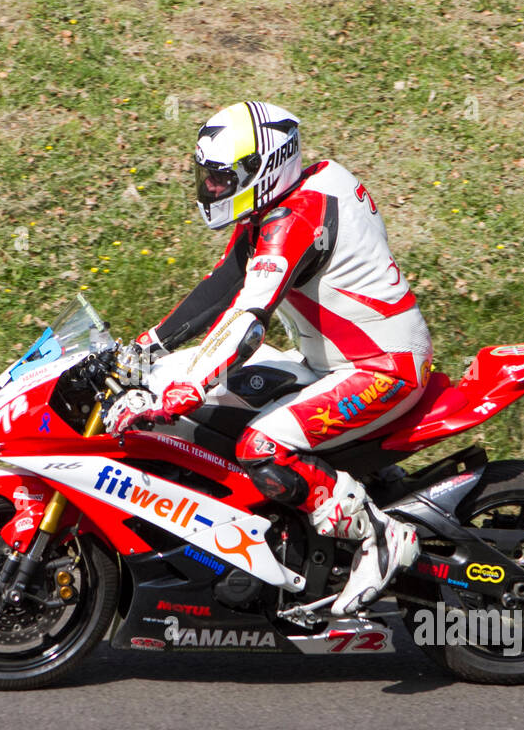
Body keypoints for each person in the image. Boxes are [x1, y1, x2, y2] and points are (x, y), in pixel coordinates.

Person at [104, 101, 432, 615]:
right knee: (215, 408)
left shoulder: (295, 218)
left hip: (380, 369)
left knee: (261, 445)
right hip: (331, 362)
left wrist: (186, 386)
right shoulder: (284, 201)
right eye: (206, 177)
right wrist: (142, 352)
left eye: (221, 178)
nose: (210, 189)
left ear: (265, 168)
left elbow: (248, 318)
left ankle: (380, 539)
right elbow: (220, 289)